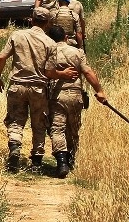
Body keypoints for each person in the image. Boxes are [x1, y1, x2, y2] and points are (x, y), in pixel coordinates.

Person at [0, 7, 75, 173]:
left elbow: (1, 57)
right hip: (38, 88)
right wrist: (63, 74)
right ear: (47, 23)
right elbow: (49, 73)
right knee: (39, 124)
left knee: (15, 120)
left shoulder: (17, 35)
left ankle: (15, 147)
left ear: (32, 19)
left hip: (17, 85)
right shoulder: (50, 43)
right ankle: (36, 161)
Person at [45, 25, 107, 178]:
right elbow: (87, 72)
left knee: (57, 128)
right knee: (73, 128)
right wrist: (99, 91)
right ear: (66, 38)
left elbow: (45, 73)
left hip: (56, 96)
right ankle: (71, 159)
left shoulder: (48, 52)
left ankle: (61, 162)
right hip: (75, 95)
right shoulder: (78, 52)